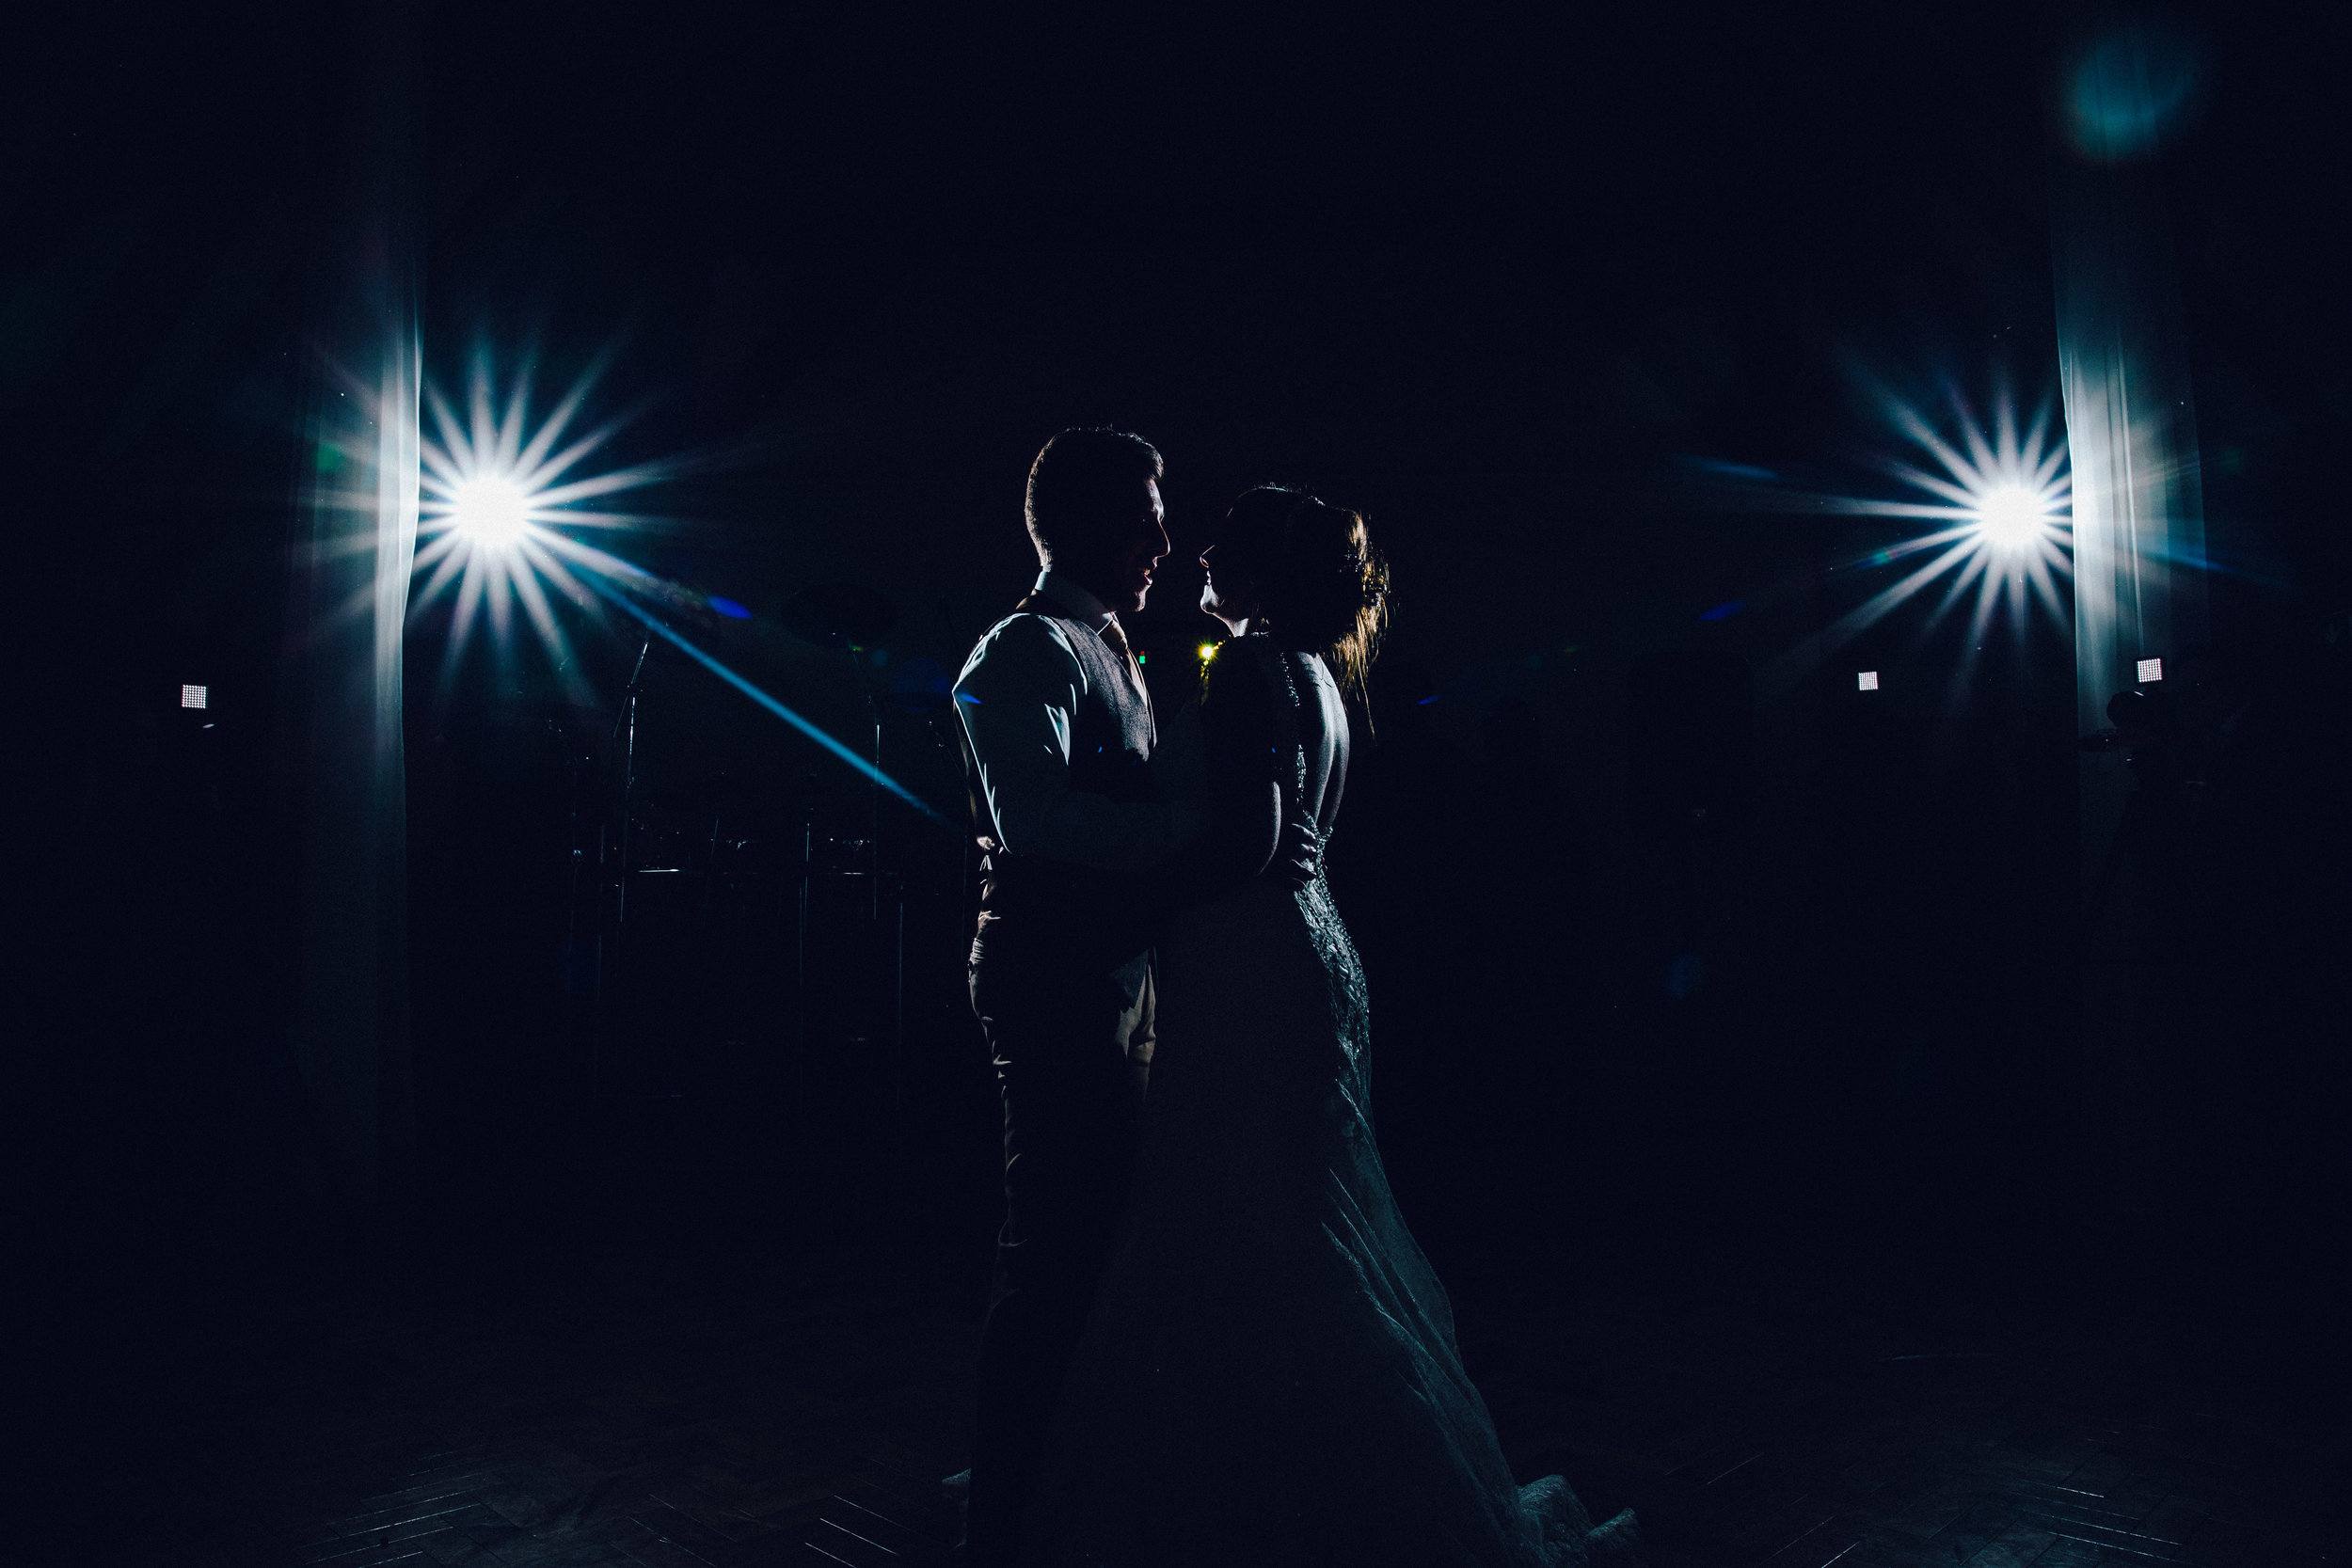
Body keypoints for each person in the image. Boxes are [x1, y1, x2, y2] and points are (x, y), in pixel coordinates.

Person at [1019, 488, 1644, 1566]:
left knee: (1251, 1218)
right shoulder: (1311, 671)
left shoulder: (1253, 671)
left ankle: (1281, 1501)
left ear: (1258, 573)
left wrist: (1121, 854)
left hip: (1248, 969)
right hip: (1303, 956)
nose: (1198, 548)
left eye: (1225, 541)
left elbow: (1248, 846)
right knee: (1293, 1210)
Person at [949, 431, 1315, 1566]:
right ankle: (1002, 1522)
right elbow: (1037, 821)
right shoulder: (1021, 651)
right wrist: (1197, 844)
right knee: (1051, 1248)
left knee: (1096, 1239)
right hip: (1052, 979)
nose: (1165, 540)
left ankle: (1067, 1494)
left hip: (1113, 974)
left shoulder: (1114, 644)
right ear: (1087, 522)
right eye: (1148, 515)